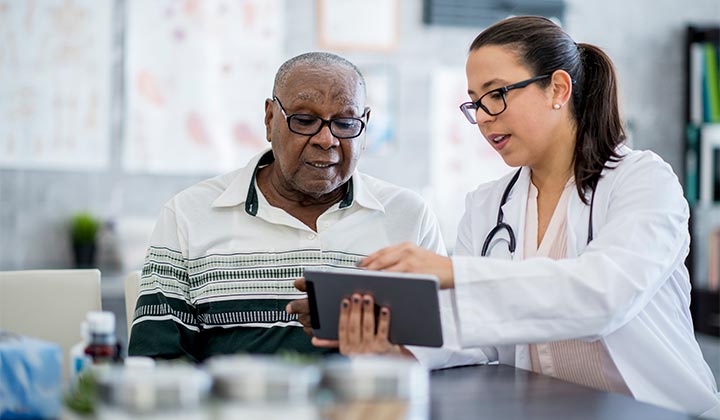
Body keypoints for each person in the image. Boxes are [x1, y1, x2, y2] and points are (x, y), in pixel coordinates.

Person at [325, 16, 720, 418]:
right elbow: (476, 334)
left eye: (496, 94)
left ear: (558, 89)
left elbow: (604, 296)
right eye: (475, 102)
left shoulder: (643, 181)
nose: (482, 116)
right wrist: (391, 342)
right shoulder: (487, 205)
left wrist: (455, 273)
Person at [128, 52, 485, 368]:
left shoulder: (407, 215)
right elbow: (156, 360)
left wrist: (370, 328)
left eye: (345, 123)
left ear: (365, 125)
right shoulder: (190, 213)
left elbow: (456, 343)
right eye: (304, 119)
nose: (326, 139)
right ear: (270, 119)